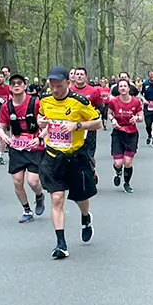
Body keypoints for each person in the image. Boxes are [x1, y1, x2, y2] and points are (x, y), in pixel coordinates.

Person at [38, 66, 101, 259]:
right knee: (57, 198)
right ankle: (61, 244)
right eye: (51, 85)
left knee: (80, 197)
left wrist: (77, 125)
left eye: (58, 85)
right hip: (53, 155)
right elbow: (44, 117)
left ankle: (85, 217)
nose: (54, 89)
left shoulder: (79, 102)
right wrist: (42, 123)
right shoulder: (45, 100)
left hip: (75, 156)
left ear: (68, 83)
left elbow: (97, 122)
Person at [0, 73, 46, 223]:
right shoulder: (7, 107)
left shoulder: (36, 103)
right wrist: (4, 137)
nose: (16, 86)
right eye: (13, 84)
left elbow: (48, 125)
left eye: (19, 83)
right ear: (10, 88)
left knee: (33, 182)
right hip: (17, 147)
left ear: (25, 85)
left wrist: (39, 138)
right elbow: (0, 127)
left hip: (34, 147)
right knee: (17, 180)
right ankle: (26, 210)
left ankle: (39, 196)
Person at [108, 79, 142, 192]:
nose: (123, 88)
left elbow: (141, 117)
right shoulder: (113, 102)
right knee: (118, 163)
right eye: (120, 86)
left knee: (127, 162)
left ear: (128, 88)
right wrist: (113, 120)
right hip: (118, 132)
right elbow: (109, 113)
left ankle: (127, 184)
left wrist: (136, 118)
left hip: (131, 134)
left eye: (125, 86)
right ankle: (118, 172)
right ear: (118, 89)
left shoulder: (136, 102)